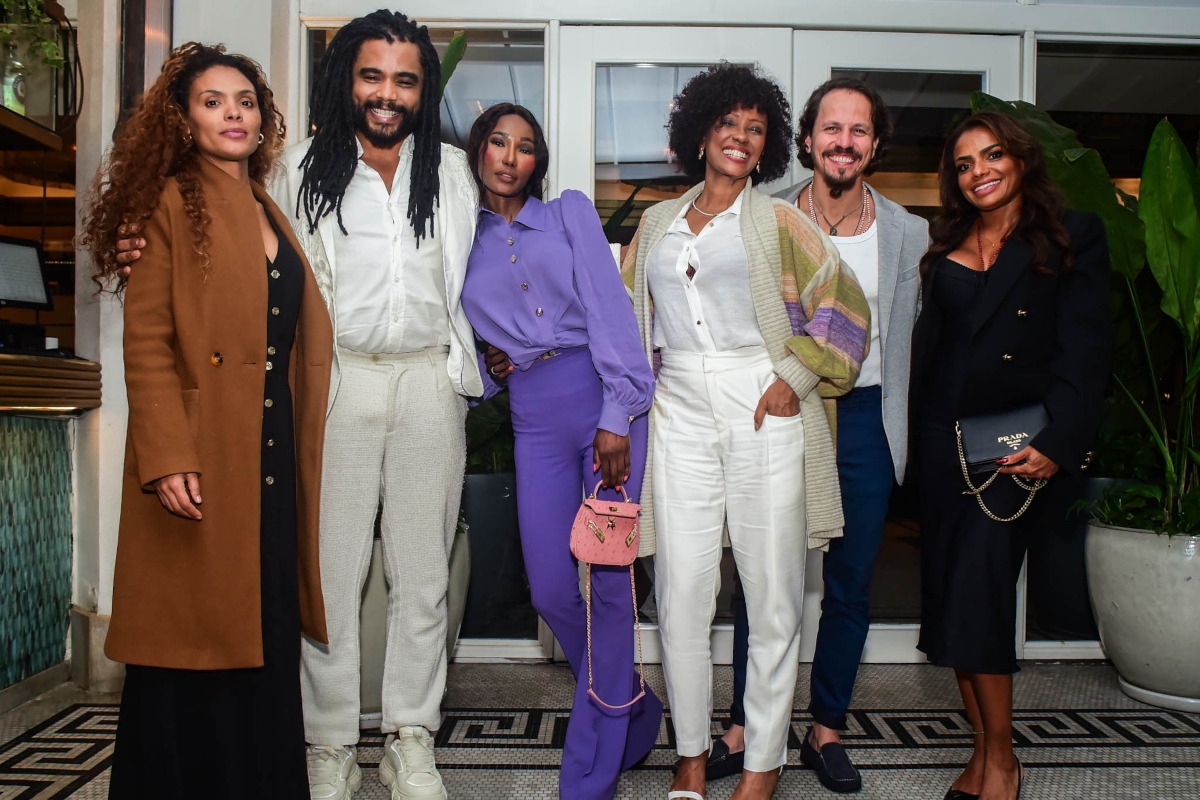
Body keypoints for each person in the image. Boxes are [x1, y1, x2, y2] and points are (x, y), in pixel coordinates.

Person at [115, 11, 481, 800]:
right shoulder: (298, 168)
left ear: (423, 90)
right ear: (346, 78)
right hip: (333, 382)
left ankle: (411, 738)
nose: (387, 94)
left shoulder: (453, 171)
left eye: (405, 80)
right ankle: (328, 743)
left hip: (428, 381)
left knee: (423, 578)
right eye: (372, 75)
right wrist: (138, 241)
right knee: (328, 574)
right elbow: (230, 245)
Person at [81, 42, 333, 798]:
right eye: (213, 101)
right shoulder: (166, 202)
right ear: (183, 119)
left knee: (262, 627)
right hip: (201, 452)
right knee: (189, 641)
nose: (234, 114)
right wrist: (165, 455)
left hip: (265, 451)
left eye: (246, 101)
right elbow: (147, 339)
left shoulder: (264, 206)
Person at [620, 63, 870, 800]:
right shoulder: (657, 225)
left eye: (755, 129)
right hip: (677, 410)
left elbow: (846, 306)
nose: (740, 137)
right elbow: (625, 320)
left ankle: (762, 764)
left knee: (773, 594)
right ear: (700, 133)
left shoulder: (780, 222)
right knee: (681, 593)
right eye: (728, 123)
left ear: (768, 147)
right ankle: (691, 758)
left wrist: (795, 377)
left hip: (763, 404)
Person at [710, 78, 928, 794]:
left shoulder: (908, 233)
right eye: (831, 128)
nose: (844, 141)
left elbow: (913, 339)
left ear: (874, 144)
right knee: (761, 577)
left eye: (858, 130)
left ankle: (825, 728)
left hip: (864, 418)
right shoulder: (764, 214)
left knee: (851, 582)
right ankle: (744, 726)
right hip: (785, 409)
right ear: (807, 140)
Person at [460, 102, 662, 800]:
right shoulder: (459, 239)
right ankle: (630, 702)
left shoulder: (570, 213)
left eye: (524, 146)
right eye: (498, 142)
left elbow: (610, 309)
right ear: (479, 151)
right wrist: (492, 367)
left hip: (603, 399)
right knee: (550, 587)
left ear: (536, 162)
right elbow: (461, 341)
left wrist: (617, 413)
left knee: (607, 582)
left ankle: (590, 772)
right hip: (534, 416)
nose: (510, 156)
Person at [911, 111, 1110, 800]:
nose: (980, 172)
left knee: (979, 592)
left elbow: (1087, 350)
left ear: (1021, 159)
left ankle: (1002, 762)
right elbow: (934, 352)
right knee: (952, 601)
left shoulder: (1071, 233)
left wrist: (1058, 441)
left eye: (992, 155)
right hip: (944, 443)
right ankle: (981, 752)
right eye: (964, 164)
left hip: (1016, 448)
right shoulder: (947, 240)